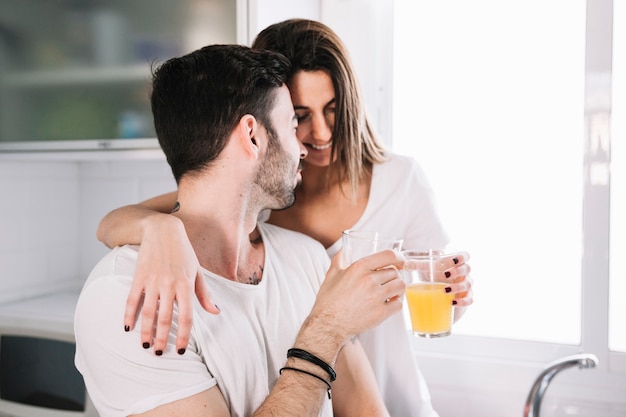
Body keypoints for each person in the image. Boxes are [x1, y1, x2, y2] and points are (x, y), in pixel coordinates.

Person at [97, 19, 473, 417]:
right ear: (255, 128)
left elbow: (434, 289)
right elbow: (148, 213)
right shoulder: (259, 197)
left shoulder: (395, 182)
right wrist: (160, 227)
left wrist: (453, 295)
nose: (321, 134)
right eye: (297, 118)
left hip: (393, 394)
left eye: (332, 109)